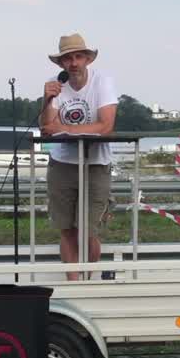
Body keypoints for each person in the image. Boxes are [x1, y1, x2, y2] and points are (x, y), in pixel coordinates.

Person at [38, 33, 117, 280]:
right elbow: (47, 128)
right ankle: (73, 283)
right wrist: (47, 99)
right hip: (62, 163)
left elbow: (106, 126)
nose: (73, 63)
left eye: (78, 57)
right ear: (61, 64)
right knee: (66, 229)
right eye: (67, 59)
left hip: (95, 163)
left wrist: (67, 129)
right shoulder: (55, 84)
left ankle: (87, 278)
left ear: (87, 60)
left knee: (88, 230)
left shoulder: (102, 82)